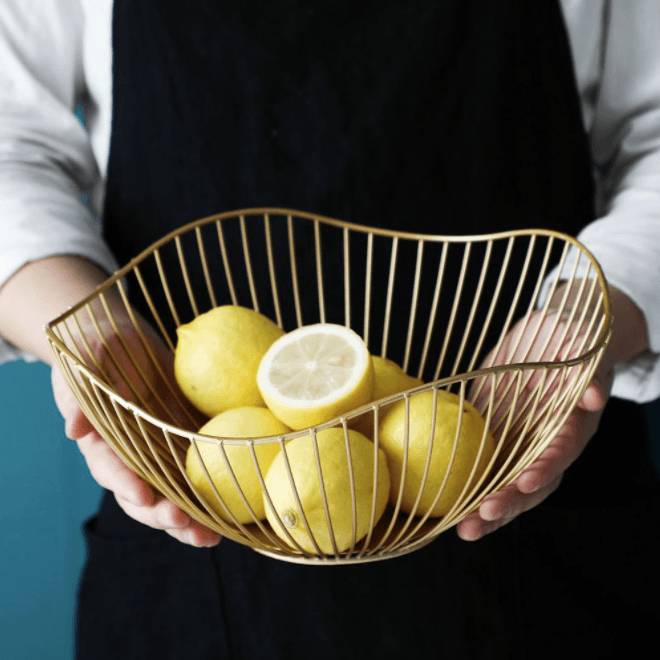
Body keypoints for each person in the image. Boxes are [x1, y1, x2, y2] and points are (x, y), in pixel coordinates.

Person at [0, 0, 659, 657]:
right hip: (190, 523)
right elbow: (9, 144)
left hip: (537, 510)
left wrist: (583, 319)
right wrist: (92, 334)